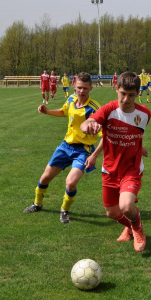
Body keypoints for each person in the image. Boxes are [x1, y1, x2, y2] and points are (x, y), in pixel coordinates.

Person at [80, 72, 151, 252]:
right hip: (110, 169)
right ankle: (129, 226)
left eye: (131, 95)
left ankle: (138, 228)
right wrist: (88, 125)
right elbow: (89, 123)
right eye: (123, 94)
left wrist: (138, 147)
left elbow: (135, 134)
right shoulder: (108, 110)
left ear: (138, 94)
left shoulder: (144, 114)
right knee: (112, 213)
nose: (126, 99)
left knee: (126, 207)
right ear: (116, 89)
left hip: (131, 169)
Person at [24, 72, 102, 223]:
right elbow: (64, 111)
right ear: (74, 86)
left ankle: (64, 210)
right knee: (45, 177)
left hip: (83, 150)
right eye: (79, 87)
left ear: (90, 89)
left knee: (71, 183)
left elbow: (105, 136)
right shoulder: (71, 99)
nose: (81, 91)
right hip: (65, 146)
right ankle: (37, 204)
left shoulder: (95, 109)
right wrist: (47, 111)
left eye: (85, 88)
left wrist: (94, 156)